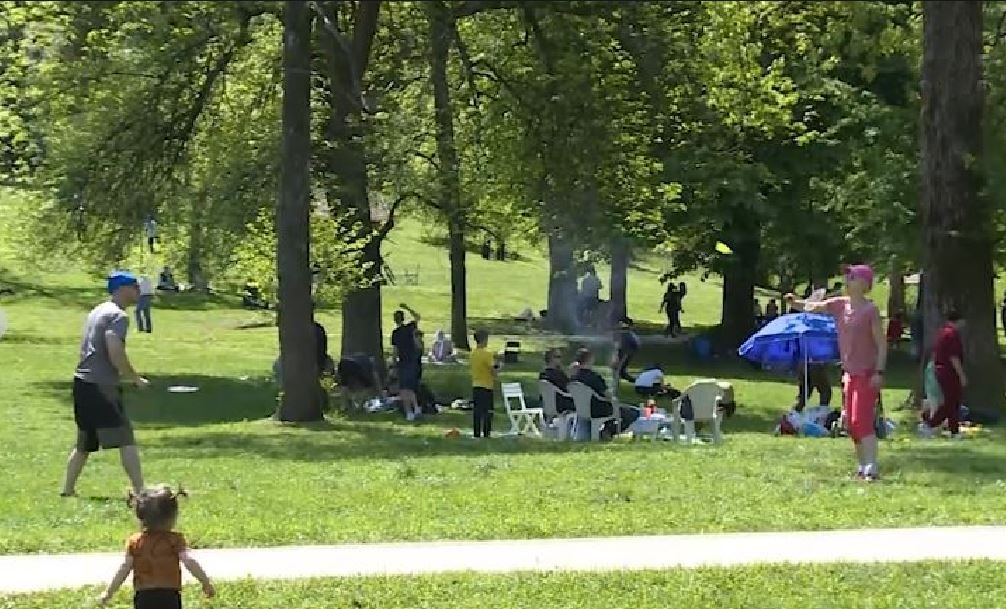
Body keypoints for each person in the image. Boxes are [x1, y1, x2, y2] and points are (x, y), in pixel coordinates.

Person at [787, 264, 886, 481]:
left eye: (852, 276)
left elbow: (881, 344)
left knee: (862, 421)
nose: (847, 279)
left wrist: (879, 371)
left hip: (867, 373)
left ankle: (872, 466)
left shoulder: (871, 311)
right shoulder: (840, 305)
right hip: (849, 373)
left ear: (864, 284)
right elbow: (814, 307)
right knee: (850, 424)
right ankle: (862, 467)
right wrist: (795, 302)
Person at [61, 271, 148, 497]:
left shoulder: (97, 310)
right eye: (134, 286)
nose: (138, 291)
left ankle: (67, 490)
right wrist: (135, 378)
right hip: (101, 386)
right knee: (125, 438)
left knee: (85, 441)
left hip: (82, 383)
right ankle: (141, 492)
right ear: (121, 288)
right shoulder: (118, 316)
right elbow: (114, 350)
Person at [98, 485, 214, 608]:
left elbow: (124, 568)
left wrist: (109, 591)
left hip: (144, 596)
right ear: (172, 517)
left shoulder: (135, 541)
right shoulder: (174, 540)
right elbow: (189, 561)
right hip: (169, 595)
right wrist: (205, 582)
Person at [572, 347, 640, 437]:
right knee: (633, 413)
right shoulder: (594, 377)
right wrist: (614, 400)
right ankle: (608, 431)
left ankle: (604, 431)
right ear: (590, 359)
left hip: (580, 410)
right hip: (599, 410)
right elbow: (608, 395)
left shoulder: (574, 378)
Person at [920, 310, 967, 439]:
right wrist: (961, 375)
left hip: (941, 370)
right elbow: (953, 357)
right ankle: (930, 424)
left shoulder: (943, 332)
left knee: (953, 402)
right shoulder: (952, 334)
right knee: (950, 402)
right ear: (959, 320)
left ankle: (954, 431)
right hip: (948, 372)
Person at [391, 303, 423, 421]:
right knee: (410, 387)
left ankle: (409, 412)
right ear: (403, 318)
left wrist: (394, 365)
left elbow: (395, 351)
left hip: (403, 361)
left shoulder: (395, 333)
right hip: (413, 360)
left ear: (395, 320)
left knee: (403, 389)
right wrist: (407, 307)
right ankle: (416, 408)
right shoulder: (410, 328)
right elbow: (417, 317)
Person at [470, 329, 497, 438]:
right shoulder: (487, 354)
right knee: (487, 411)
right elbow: (492, 370)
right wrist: (498, 369)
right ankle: (486, 433)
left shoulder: (473, 353)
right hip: (487, 385)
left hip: (476, 384)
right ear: (484, 339)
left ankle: (476, 433)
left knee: (477, 411)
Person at [539, 348, 574, 416]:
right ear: (551, 359)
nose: (560, 360)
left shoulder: (543, 374)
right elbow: (568, 388)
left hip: (547, 407)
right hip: (561, 405)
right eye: (558, 357)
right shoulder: (557, 374)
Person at [612, 317, 640, 385]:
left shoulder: (627, 334)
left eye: (621, 323)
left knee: (619, 369)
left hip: (625, 353)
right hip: (624, 352)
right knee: (620, 370)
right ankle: (635, 380)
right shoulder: (625, 334)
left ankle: (635, 381)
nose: (619, 324)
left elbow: (635, 344)